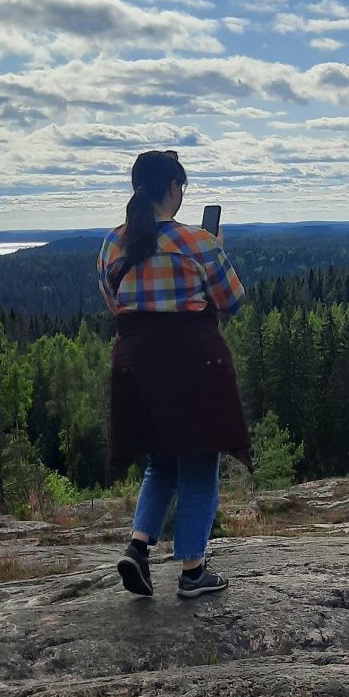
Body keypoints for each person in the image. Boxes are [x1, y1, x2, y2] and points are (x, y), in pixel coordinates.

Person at [97, 149, 252, 599]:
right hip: (194, 368)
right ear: (172, 188)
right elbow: (232, 303)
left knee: (162, 461)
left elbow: (116, 305)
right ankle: (192, 570)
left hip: (136, 368)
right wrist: (218, 250)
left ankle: (139, 547)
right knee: (200, 461)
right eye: (181, 186)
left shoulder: (112, 244)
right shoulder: (198, 242)